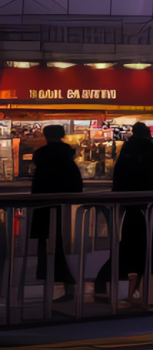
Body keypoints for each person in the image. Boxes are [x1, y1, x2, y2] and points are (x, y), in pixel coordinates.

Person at [92, 123, 153, 304]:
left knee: (126, 248)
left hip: (131, 206)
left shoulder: (128, 150)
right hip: (150, 206)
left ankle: (106, 284)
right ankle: (139, 291)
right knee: (148, 251)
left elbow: (119, 177)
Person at [30, 125, 82, 300]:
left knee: (47, 247)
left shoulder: (41, 156)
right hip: (66, 208)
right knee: (65, 248)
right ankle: (69, 286)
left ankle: (50, 286)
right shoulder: (68, 157)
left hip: (44, 207)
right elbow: (76, 183)